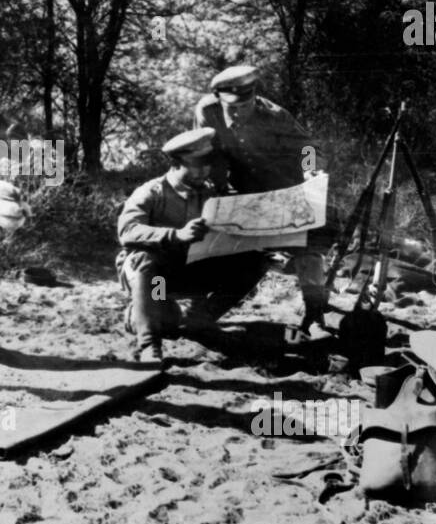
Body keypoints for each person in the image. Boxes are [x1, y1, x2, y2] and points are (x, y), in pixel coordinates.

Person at [116, 128, 271, 364]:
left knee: (255, 259)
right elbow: (127, 231)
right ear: (176, 164)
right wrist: (175, 235)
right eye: (197, 164)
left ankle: (199, 319)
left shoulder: (210, 193)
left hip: (191, 270)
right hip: (156, 280)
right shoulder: (151, 192)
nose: (204, 170)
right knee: (164, 316)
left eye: (207, 163)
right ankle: (148, 342)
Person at [193, 65, 329, 331]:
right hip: (238, 191)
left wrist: (311, 169)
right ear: (218, 98)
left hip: (281, 188)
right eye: (231, 107)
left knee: (307, 246)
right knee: (217, 244)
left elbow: (309, 147)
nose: (238, 112)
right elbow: (205, 150)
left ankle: (315, 311)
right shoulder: (207, 111)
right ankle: (202, 310)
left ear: (254, 96)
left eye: (245, 105)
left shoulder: (276, 116)